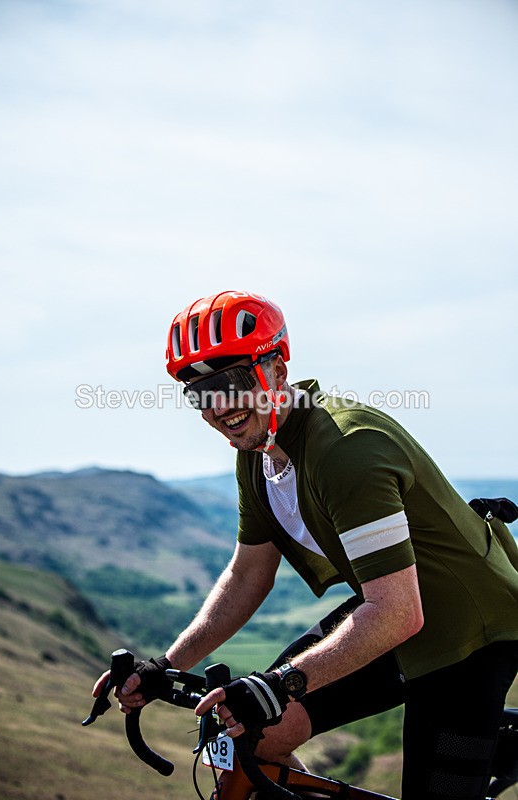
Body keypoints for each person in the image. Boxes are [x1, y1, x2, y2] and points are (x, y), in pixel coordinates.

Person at [93, 290, 518, 800]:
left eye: (230, 384)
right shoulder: (258, 451)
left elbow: (399, 612)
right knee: (253, 732)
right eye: (201, 394)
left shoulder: (345, 449)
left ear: (276, 370)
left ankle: (497, 746)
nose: (219, 408)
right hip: (392, 609)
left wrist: (283, 683)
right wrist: (167, 665)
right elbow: (248, 575)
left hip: (471, 632)